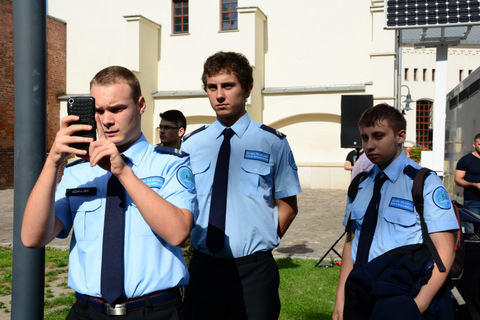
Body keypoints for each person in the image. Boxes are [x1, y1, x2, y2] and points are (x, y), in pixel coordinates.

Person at [21, 66, 196, 319]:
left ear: (141, 105)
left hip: (153, 311)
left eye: (117, 109)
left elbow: (178, 231)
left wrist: (123, 172)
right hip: (88, 311)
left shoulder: (170, 163)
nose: (106, 120)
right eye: (99, 111)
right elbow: (32, 237)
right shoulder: (79, 171)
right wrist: (53, 162)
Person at [181, 51, 302, 319]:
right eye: (212, 87)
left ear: (246, 89)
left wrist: (260, 240)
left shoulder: (272, 143)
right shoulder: (191, 145)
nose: (219, 95)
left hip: (254, 271)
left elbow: (288, 207)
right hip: (203, 267)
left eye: (228, 86)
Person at [333, 103, 459, 320]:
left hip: (402, 297)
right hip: (360, 292)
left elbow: (445, 251)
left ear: (400, 136)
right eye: (365, 138)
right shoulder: (360, 184)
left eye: (378, 136)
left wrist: (418, 304)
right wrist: (341, 298)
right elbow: (350, 242)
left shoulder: (423, 183)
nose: (369, 145)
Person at [455, 133, 480, 233]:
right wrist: (475, 185)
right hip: (472, 201)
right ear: (474, 145)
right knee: (471, 232)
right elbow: (458, 180)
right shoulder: (465, 160)